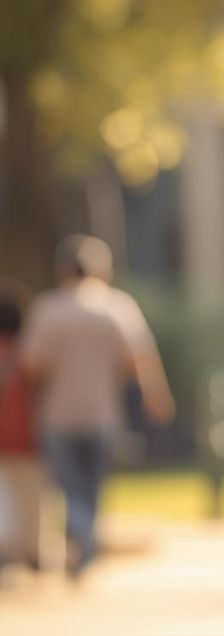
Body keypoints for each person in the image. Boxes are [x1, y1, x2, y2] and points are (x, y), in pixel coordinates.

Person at [19, 234, 175, 578]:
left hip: (57, 416)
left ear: (62, 269)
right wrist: (156, 397)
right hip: (103, 413)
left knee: (68, 485)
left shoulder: (48, 309)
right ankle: (85, 542)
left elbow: (31, 367)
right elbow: (141, 360)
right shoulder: (117, 307)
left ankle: (80, 535)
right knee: (92, 486)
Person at [0, 278, 42, 575]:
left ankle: (7, 549)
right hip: (27, 434)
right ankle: (32, 549)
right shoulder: (28, 352)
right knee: (32, 494)